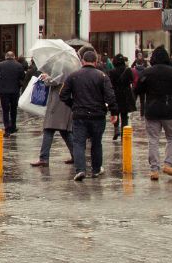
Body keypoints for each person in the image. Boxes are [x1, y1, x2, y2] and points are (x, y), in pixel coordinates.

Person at [60, 49, 118, 181]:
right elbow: (110, 96)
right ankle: (96, 169)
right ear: (96, 62)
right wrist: (114, 112)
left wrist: (73, 104)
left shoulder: (73, 76)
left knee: (79, 143)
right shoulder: (102, 76)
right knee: (97, 143)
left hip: (79, 114)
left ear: (82, 61)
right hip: (98, 114)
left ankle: (80, 169)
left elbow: (62, 95)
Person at [133, 46, 172, 180]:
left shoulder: (147, 72)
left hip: (151, 110)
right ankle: (168, 164)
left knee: (153, 140)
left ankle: (154, 170)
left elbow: (137, 89)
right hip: (168, 110)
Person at [30, 74, 74, 167]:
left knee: (48, 130)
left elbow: (53, 81)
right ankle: (76, 156)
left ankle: (44, 158)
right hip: (65, 105)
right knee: (65, 132)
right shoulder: (71, 69)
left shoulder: (61, 68)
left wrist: (46, 78)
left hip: (57, 105)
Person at [0, 51, 26, 134]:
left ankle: (7, 127)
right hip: (15, 90)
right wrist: (18, 86)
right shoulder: (19, 65)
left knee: (5, 110)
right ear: (14, 57)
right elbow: (22, 77)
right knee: (14, 109)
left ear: (6, 57)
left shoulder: (0, 65)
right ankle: (13, 126)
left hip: (4, 91)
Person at [108, 54, 136, 141]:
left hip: (115, 94)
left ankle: (116, 130)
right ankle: (124, 133)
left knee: (115, 113)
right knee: (124, 116)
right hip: (126, 95)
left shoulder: (112, 72)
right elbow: (132, 80)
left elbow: (110, 84)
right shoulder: (128, 70)